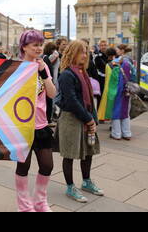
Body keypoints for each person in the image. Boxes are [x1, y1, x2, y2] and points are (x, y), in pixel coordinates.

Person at [14, 30, 57, 212]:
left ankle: (40, 202)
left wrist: (43, 73)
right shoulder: (16, 68)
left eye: (41, 45)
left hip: (41, 125)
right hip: (22, 127)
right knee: (24, 166)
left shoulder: (43, 66)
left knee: (47, 165)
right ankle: (24, 207)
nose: (39, 48)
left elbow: (52, 93)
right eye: (35, 45)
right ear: (24, 47)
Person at [57, 40, 103, 203]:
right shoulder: (67, 74)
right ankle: (70, 186)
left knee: (88, 152)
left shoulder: (83, 72)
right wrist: (89, 119)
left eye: (86, 52)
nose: (85, 55)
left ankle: (86, 181)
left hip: (86, 117)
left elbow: (89, 99)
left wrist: (93, 120)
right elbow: (72, 101)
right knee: (69, 154)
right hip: (71, 119)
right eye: (81, 52)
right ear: (72, 54)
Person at [109, 44, 136, 141]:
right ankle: (127, 133)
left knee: (116, 111)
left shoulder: (118, 61)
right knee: (125, 112)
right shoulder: (130, 61)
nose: (116, 51)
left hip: (118, 89)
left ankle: (116, 133)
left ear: (122, 50)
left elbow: (114, 77)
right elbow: (133, 76)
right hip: (128, 89)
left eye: (117, 49)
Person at [42, 42, 59, 126]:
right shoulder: (46, 58)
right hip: (49, 82)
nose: (54, 51)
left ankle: (48, 119)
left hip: (49, 81)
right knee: (49, 101)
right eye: (53, 49)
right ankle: (48, 120)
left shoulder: (44, 58)